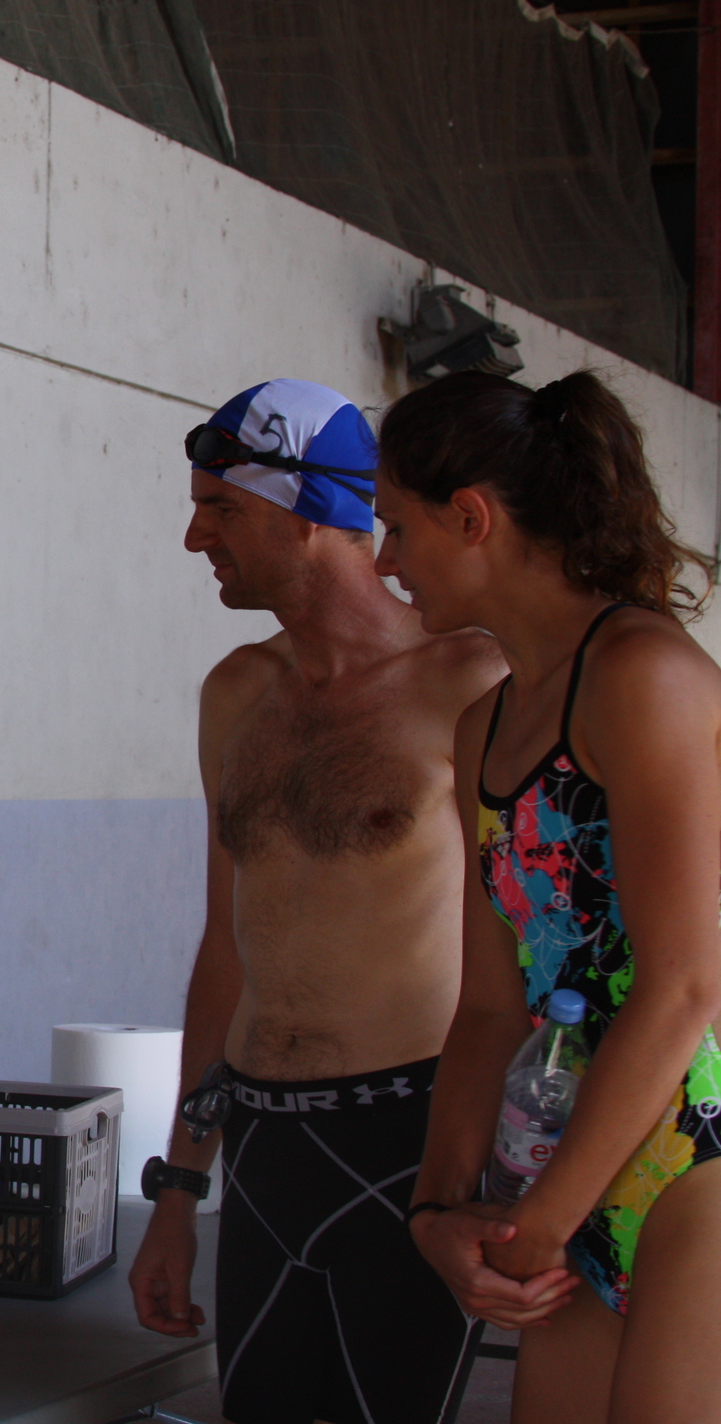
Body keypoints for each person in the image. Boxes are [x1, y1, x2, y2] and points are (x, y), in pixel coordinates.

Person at [126, 379, 506, 1423]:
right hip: (264, 1142)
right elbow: (227, 948)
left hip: (410, 1139)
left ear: (308, 512)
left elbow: (524, 952)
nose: (195, 536)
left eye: (221, 508)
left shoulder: (469, 682)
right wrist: (179, 1189)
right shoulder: (237, 692)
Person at [380, 370, 721, 1422]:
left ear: (470, 517)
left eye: (397, 527)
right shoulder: (483, 728)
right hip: (574, 1164)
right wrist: (438, 1209)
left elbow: (685, 986)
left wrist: (537, 1224)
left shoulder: (642, 675)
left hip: (697, 1149)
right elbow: (490, 1007)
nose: (387, 562)